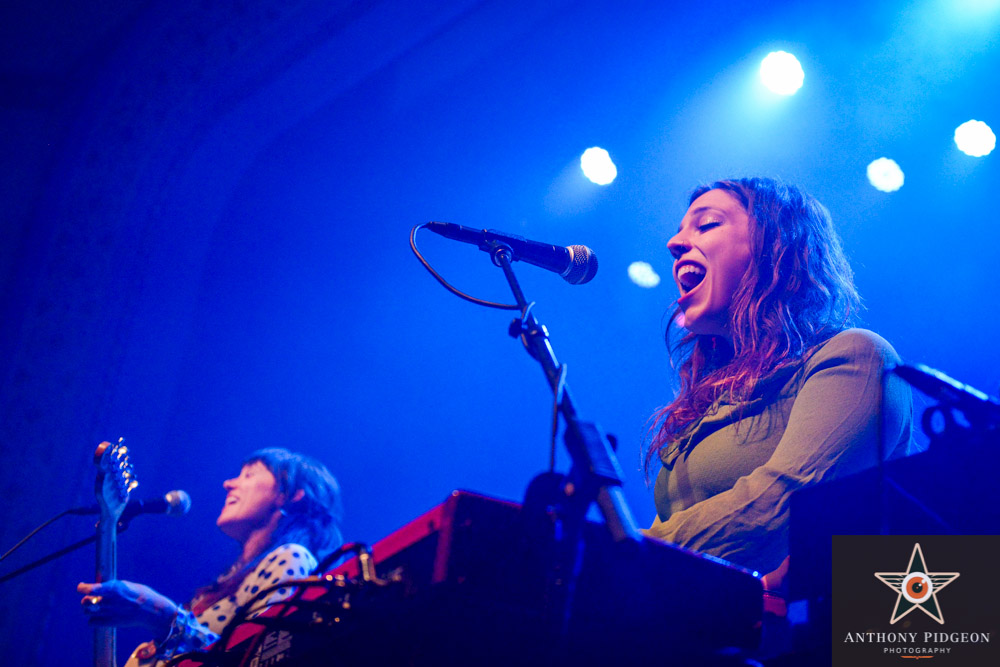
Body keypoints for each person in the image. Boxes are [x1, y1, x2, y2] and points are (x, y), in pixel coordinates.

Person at [643, 177, 912, 576]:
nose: (674, 243)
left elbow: (783, 499)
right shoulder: (714, 399)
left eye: (707, 224)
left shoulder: (854, 357)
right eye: (681, 229)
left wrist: (626, 550)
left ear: (776, 248)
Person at [78, 447, 343, 664]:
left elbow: (261, 659)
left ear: (291, 495)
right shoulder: (227, 583)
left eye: (249, 475)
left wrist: (163, 617)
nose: (228, 484)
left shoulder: (292, 558)